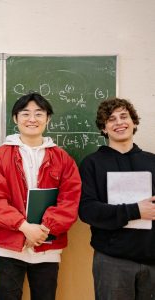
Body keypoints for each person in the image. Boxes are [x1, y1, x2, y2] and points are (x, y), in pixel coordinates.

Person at [0, 92, 81, 300]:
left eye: (39, 113)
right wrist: (25, 228)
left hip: (48, 247)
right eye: (25, 113)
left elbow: (69, 200)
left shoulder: (62, 158)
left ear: (48, 119)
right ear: (15, 118)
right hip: (8, 248)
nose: (32, 119)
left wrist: (42, 231)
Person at [79, 98, 155, 300]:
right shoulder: (91, 164)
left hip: (152, 259)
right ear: (104, 128)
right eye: (111, 119)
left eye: (124, 116)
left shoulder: (152, 161)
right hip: (112, 261)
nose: (119, 123)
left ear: (134, 122)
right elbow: (87, 210)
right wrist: (136, 210)